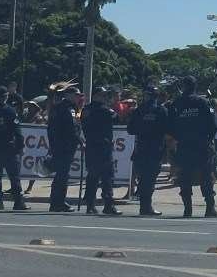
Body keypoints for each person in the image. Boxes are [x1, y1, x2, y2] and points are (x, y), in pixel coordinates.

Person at [166, 75, 217, 218]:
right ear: (195, 86)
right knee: (206, 177)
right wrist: (208, 139)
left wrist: (178, 139)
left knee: (185, 178)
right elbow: (213, 125)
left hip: (184, 146)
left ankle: (187, 209)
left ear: (182, 87)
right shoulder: (202, 102)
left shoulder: (176, 103)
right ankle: (210, 208)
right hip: (202, 145)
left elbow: (169, 127)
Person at [128, 85, 171, 216]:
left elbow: (130, 129)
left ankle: (144, 205)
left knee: (143, 177)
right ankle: (146, 207)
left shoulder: (139, 110)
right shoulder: (161, 110)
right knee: (150, 179)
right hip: (155, 149)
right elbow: (167, 129)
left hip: (141, 147)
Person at [0, 86, 28, 211]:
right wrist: (20, 147)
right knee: (14, 176)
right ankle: (18, 202)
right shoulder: (10, 111)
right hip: (9, 149)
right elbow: (17, 131)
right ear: (5, 97)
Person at [81, 87, 121, 216]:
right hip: (103, 146)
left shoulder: (85, 109)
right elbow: (117, 118)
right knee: (107, 176)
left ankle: (90, 205)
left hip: (91, 145)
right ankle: (108, 204)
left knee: (92, 175)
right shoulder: (104, 109)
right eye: (103, 95)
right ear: (97, 96)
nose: (105, 98)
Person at [47, 86, 83, 212]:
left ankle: (56, 202)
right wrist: (80, 142)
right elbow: (72, 128)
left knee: (60, 175)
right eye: (77, 95)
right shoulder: (68, 109)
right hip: (66, 146)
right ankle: (58, 202)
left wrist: (52, 145)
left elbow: (50, 129)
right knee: (62, 175)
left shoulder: (57, 107)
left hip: (58, 145)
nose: (78, 98)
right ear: (69, 95)